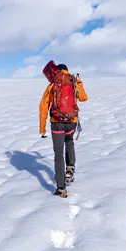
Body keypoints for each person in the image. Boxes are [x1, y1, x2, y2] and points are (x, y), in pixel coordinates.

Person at [40, 63, 88, 197]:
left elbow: (43, 106)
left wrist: (42, 128)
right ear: (67, 70)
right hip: (71, 122)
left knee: (58, 153)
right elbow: (84, 98)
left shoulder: (52, 84)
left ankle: (61, 188)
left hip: (56, 123)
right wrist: (78, 83)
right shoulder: (73, 81)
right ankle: (70, 168)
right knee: (69, 141)